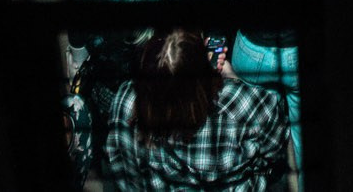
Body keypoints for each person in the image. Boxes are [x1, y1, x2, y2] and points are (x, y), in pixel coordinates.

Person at [97, 28, 288, 192]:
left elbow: (121, 164)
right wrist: (232, 78)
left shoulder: (125, 101)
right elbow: (272, 151)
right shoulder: (241, 104)